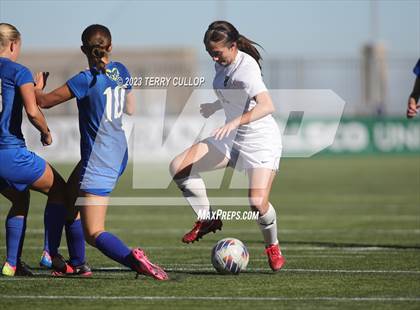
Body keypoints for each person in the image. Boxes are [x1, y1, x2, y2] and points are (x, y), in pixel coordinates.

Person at [34, 24, 168, 280]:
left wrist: (37, 86)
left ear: (84, 49)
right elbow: (130, 109)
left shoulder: (84, 80)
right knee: (69, 198)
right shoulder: (121, 70)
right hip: (117, 153)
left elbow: (43, 102)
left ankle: (134, 260)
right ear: (110, 47)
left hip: (98, 160)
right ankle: (78, 264)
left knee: (93, 232)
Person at [170, 21, 286, 272]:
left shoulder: (247, 69)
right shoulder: (221, 63)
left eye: (218, 52)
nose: (213, 57)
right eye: (210, 52)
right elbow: (234, 95)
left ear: (233, 46)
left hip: (260, 142)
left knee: (257, 203)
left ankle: (272, 245)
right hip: (231, 138)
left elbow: (267, 105)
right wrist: (215, 106)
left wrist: (234, 121)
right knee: (179, 166)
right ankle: (207, 218)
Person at [0, 23, 70, 276]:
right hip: (9, 152)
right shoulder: (19, 71)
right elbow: (32, 111)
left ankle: (12, 263)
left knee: (20, 198)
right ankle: (50, 253)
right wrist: (46, 132)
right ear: (13, 45)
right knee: (60, 190)